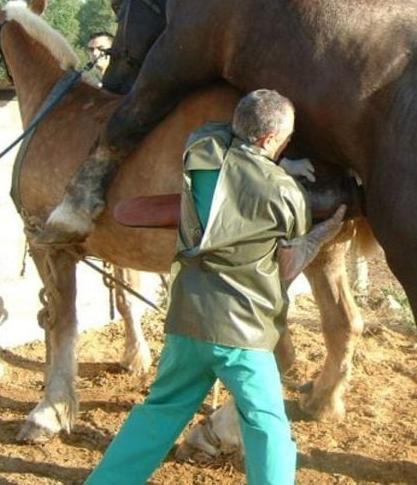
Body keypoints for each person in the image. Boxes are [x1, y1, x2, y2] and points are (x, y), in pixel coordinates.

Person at [85, 89, 345, 485]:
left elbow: (229, 136)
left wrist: (267, 151)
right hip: (245, 334)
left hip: (187, 319)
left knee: (159, 411)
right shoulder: (287, 194)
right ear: (270, 141)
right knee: (267, 426)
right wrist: (318, 237)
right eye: (284, 138)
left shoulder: (201, 148)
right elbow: (288, 268)